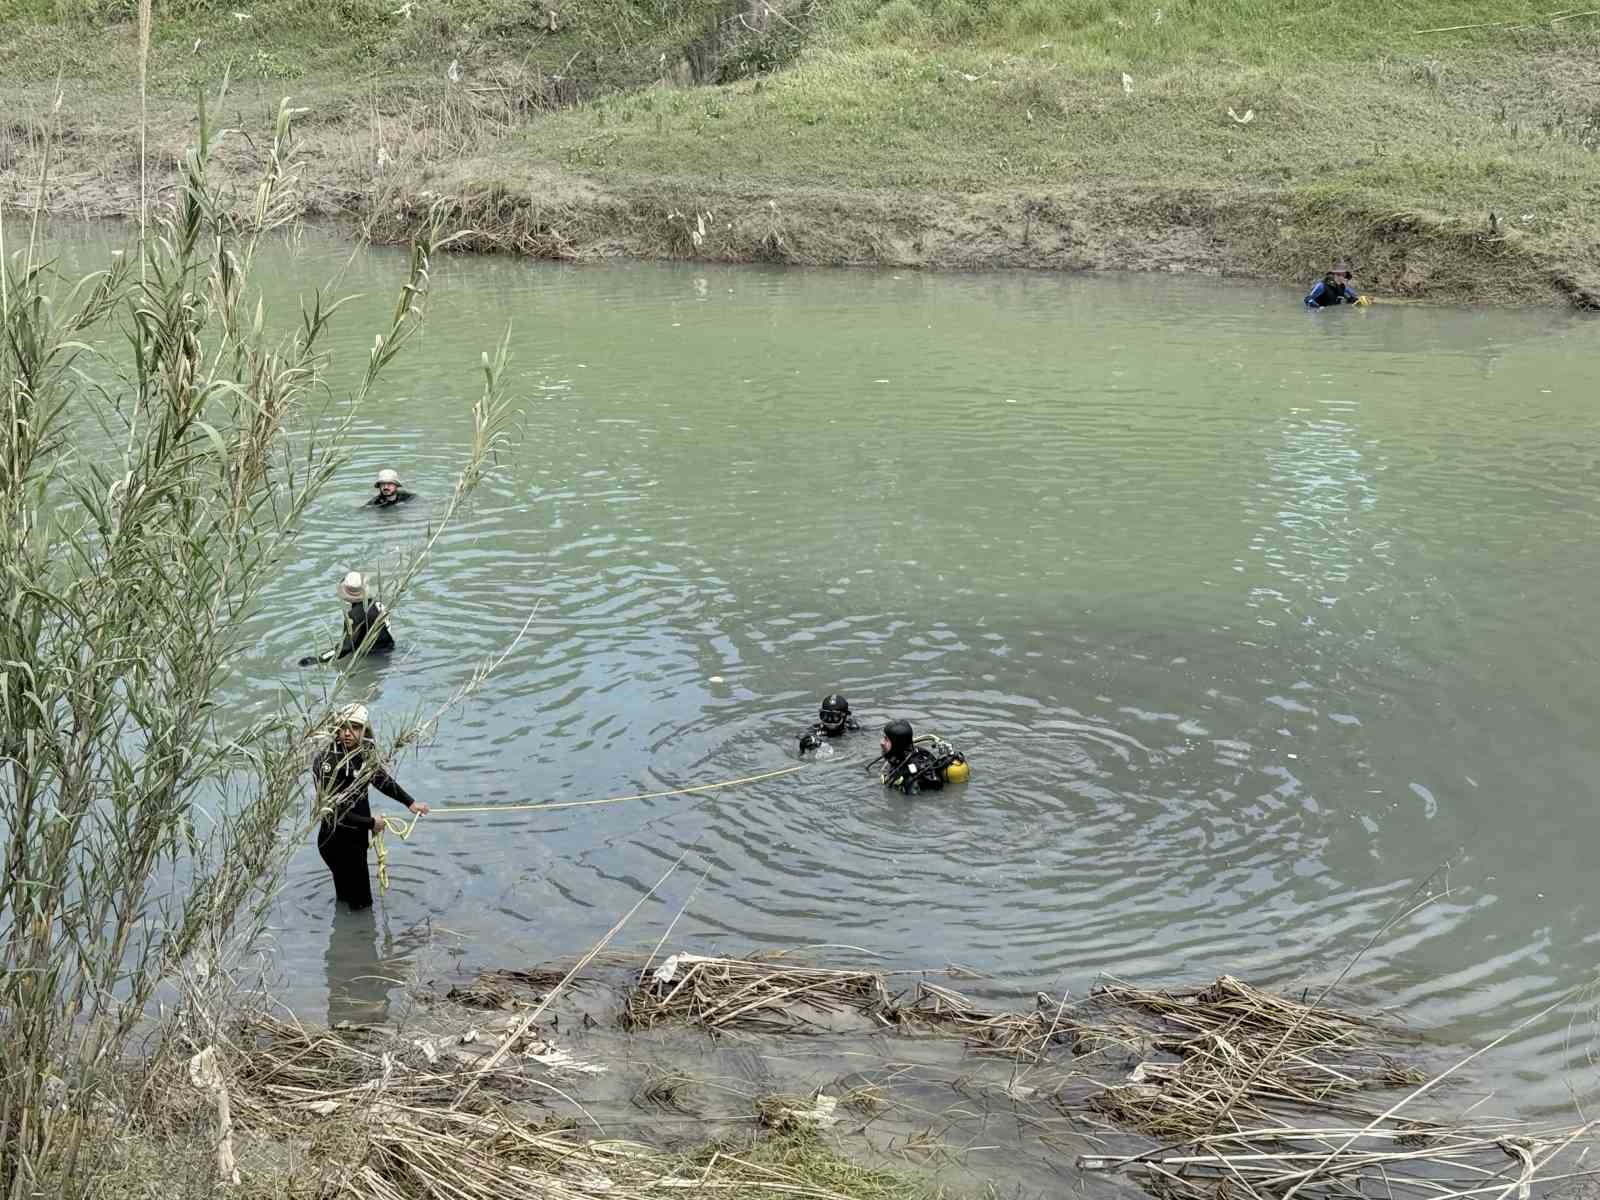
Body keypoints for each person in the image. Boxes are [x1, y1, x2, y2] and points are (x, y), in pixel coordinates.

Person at [312, 704, 429, 910]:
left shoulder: (364, 752)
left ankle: (343, 939)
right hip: (337, 841)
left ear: (364, 730)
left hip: (356, 838)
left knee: (347, 899)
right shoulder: (327, 761)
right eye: (343, 727)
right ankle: (362, 938)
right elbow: (332, 809)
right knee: (362, 905)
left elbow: (381, 779)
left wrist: (410, 802)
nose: (347, 733)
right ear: (336, 729)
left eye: (355, 727)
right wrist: (371, 823)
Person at [299, 572, 394, 666]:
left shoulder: (353, 615)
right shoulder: (377, 604)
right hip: (389, 648)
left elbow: (345, 647)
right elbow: (387, 628)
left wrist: (318, 659)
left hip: (373, 656)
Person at [874, 718, 969, 795]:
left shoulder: (910, 778)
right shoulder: (919, 752)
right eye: (883, 737)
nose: (881, 742)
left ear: (897, 744)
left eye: (886, 739)